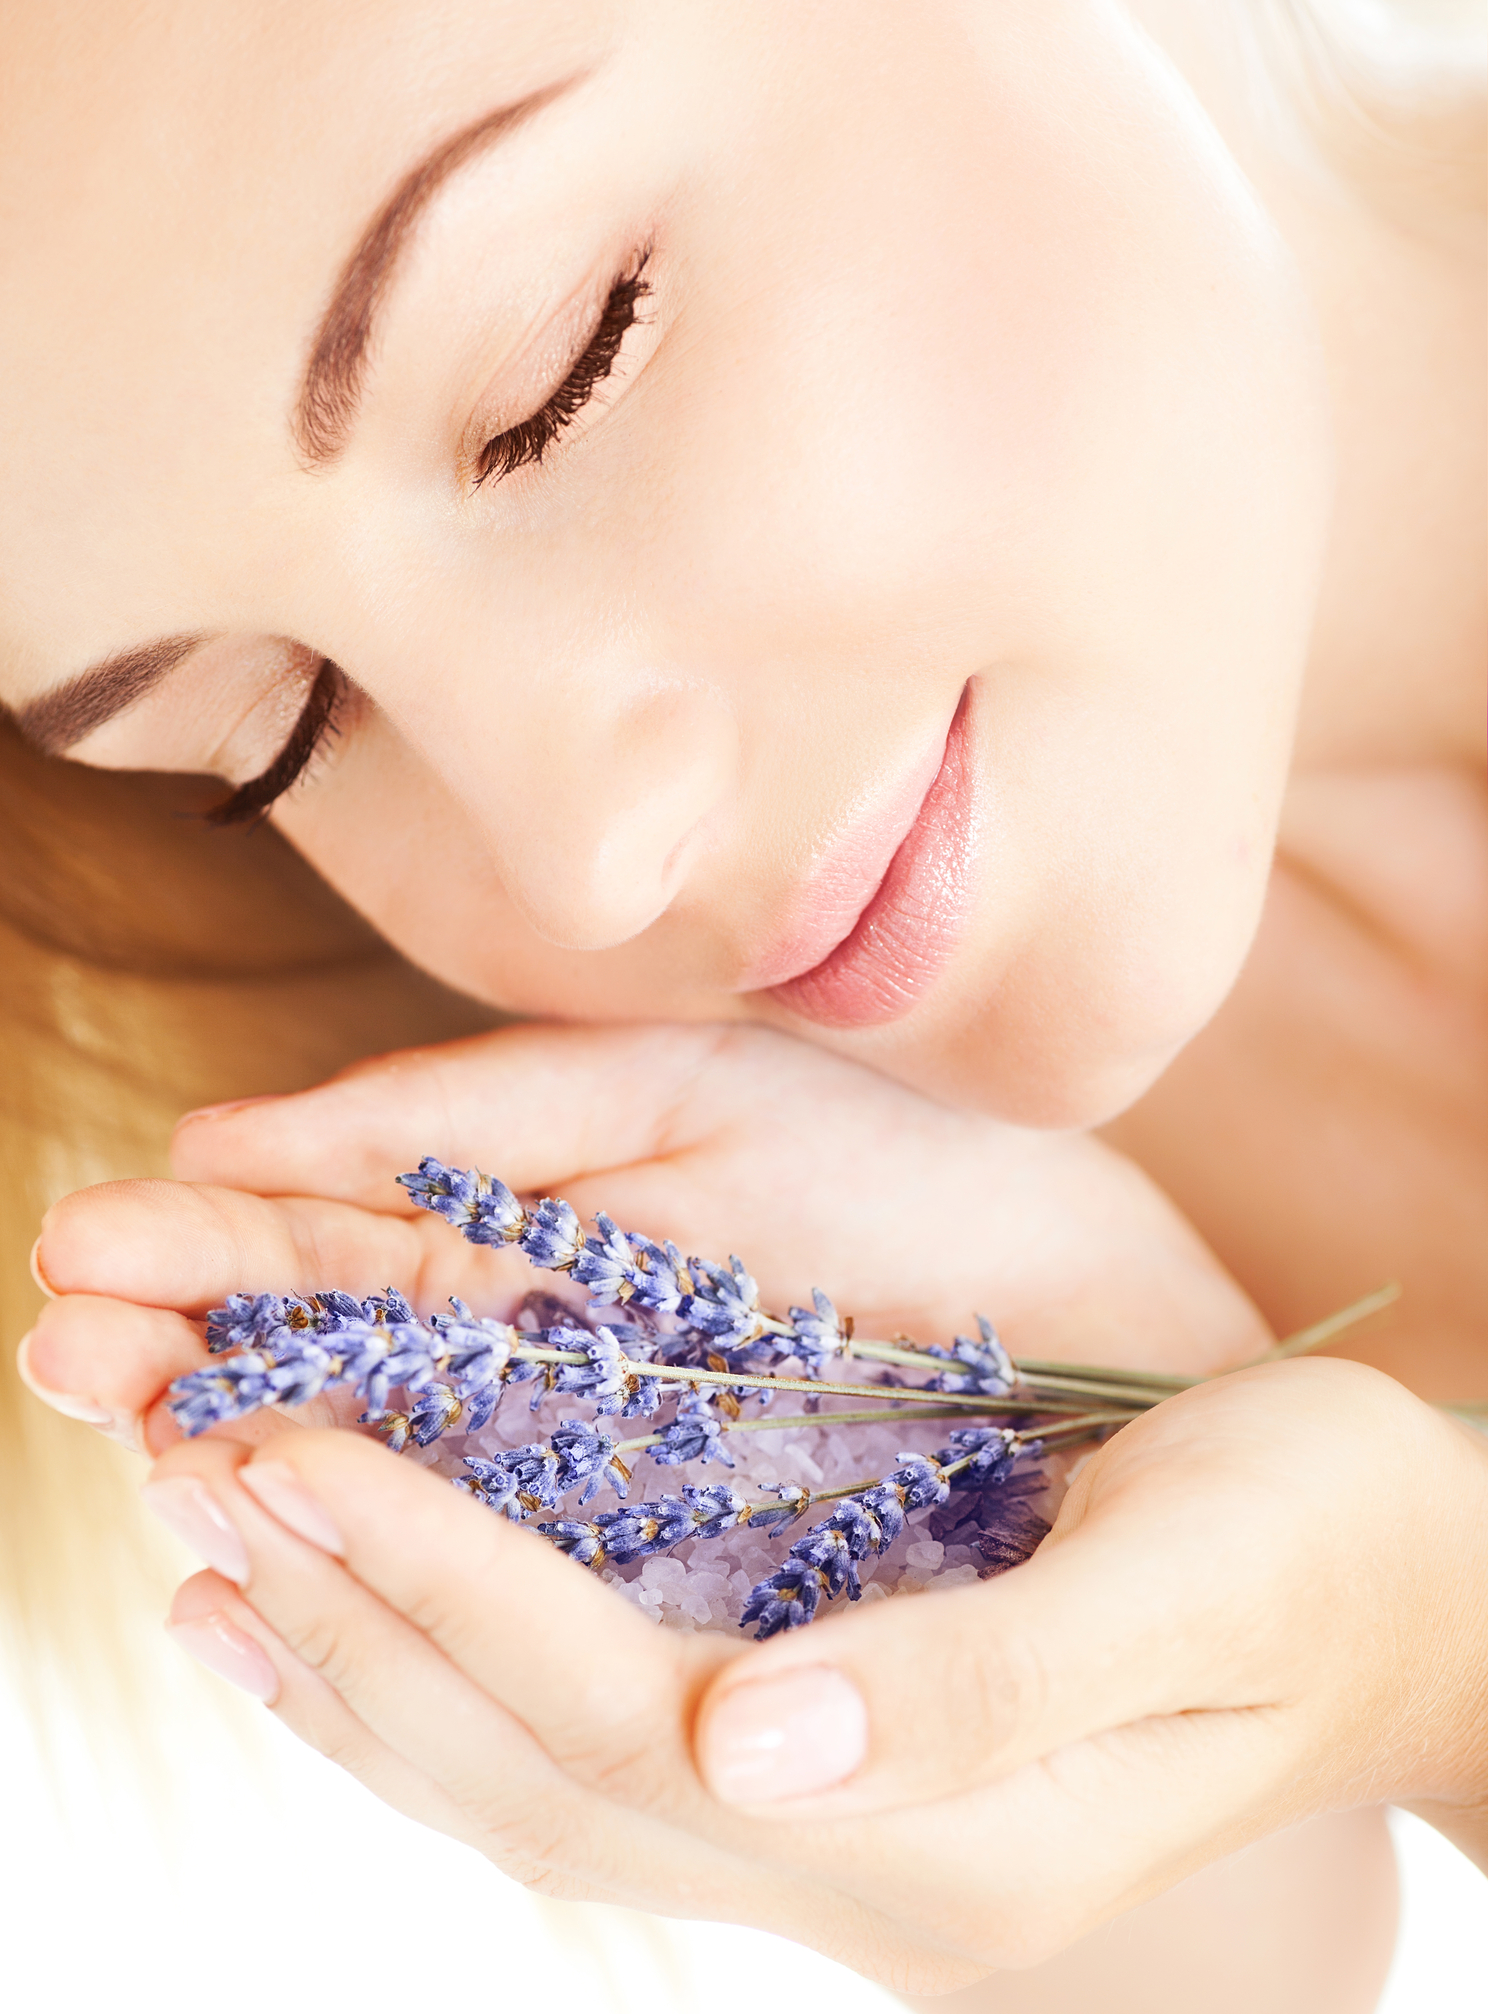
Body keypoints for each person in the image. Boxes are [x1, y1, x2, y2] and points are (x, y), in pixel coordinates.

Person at [3, 2, 1483, 2007]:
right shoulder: (806, 1244)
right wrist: (1031, 1727)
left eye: (562, 368)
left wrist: (1444, 1646)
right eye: (279, 733)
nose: (580, 857)